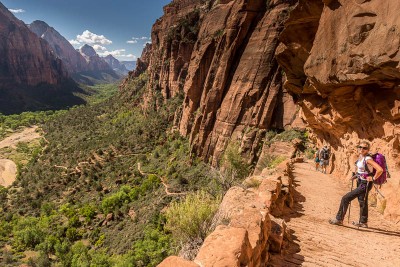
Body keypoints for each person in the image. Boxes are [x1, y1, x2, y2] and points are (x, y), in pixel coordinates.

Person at [329, 141, 383, 228]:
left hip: (365, 184)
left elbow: (380, 170)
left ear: (368, 149)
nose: (361, 149)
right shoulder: (361, 157)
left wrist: (373, 178)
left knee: (345, 198)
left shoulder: (368, 159)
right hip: (360, 181)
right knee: (362, 201)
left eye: (364, 148)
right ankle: (363, 222)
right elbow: (362, 170)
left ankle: (339, 219)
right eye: (360, 147)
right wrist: (356, 175)